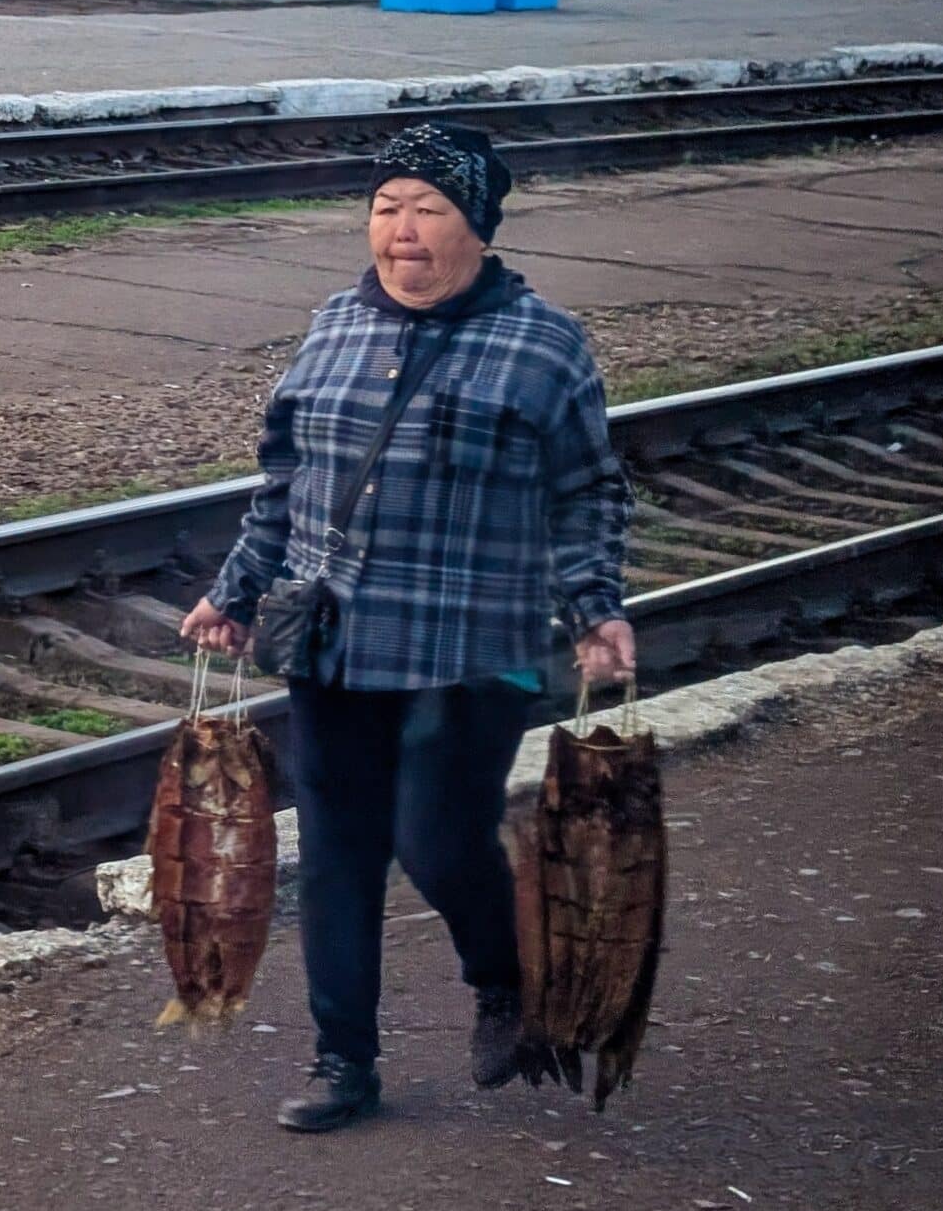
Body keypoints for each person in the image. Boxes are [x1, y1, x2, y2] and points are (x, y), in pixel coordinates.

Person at [181, 118, 634, 1133]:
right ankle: (344, 1059)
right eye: (386, 207)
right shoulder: (334, 323)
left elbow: (588, 493)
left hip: (479, 644)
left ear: (475, 223)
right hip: (336, 635)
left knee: (434, 835)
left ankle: (503, 979)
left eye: (427, 208)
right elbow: (287, 484)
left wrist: (595, 606)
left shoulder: (543, 344)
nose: (402, 230)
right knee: (338, 853)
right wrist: (235, 588)